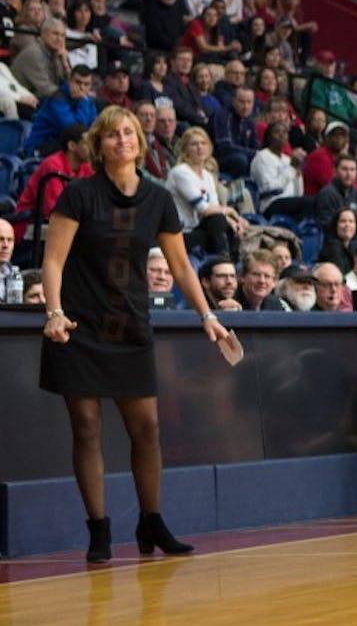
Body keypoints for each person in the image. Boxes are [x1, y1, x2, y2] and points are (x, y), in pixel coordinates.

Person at [40, 105, 232, 563]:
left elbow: (182, 265)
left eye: (129, 133)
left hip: (131, 326)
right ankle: (99, 530)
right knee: (86, 429)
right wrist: (53, 311)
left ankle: (151, 522)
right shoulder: (77, 195)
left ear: (141, 143)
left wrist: (206, 315)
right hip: (78, 328)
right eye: (111, 135)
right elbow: (53, 261)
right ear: (98, 145)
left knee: (147, 430)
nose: (121, 140)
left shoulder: (159, 199)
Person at [166, 127, 245, 257]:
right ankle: (223, 259)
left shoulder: (207, 175)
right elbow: (205, 210)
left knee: (230, 228)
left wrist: (234, 223)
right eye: (194, 144)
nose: (199, 147)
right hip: (182, 234)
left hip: (201, 229)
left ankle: (231, 263)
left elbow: (214, 207)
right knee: (217, 220)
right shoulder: (180, 172)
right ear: (185, 149)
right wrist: (231, 212)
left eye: (203, 143)